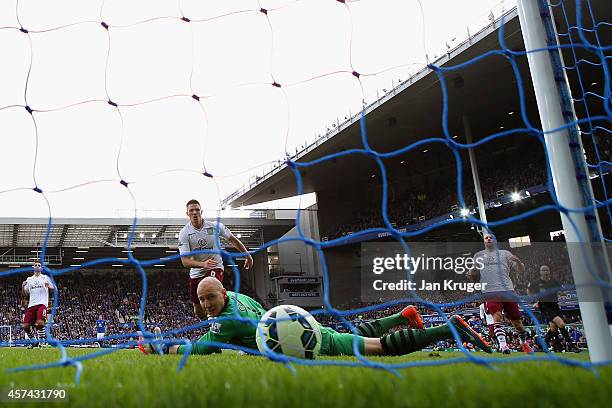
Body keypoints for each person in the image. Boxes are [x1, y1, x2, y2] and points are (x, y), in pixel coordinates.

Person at [139, 277, 492, 357]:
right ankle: (403, 315)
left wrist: (162, 348)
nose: (207, 304)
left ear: (221, 293)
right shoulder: (240, 297)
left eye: (210, 297)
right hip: (295, 324)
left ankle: (448, 330)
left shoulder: (226, 319)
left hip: (297, 340)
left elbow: (201, 350)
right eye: (202, 301)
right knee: (347, 334)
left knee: (375, 349)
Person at [178, 199, 253, 319]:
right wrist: (203, 264)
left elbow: (232, 239)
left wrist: (247, 255)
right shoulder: (184, 233)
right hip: (196, 273)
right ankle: (207, 324)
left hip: (215, 266)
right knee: (198, 310)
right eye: (191, 210)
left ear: (201, 211)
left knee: (211, 289)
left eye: (197, 210)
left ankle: (223, 320)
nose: (194, 212)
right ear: (187, 213)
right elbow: (185, 261)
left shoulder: (215, 226)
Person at [468, 233, 532, 354]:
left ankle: (523, 342)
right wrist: (471, 274)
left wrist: (518, 261)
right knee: (497, 316)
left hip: (507, 290)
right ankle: (503, 346)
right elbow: (474, 275)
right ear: (484, 242)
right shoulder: (478, 256)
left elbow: (521, 270)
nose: (488, 239)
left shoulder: (505, 254)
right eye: (486, 238)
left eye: (491, 237)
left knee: (517, 323)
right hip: (490, 291)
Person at [528, 265, 576, 352]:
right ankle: (571, 345)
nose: (546, 272)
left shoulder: (554, 281)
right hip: (545, 307)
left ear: (549, 272)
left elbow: (561, 291)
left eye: (547, 270)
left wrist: (562, 293)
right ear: (540, 272)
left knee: (554, 329)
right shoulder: (537, 283)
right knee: (561, 324)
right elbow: (529, 291)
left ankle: (540, 347)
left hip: (555, 306)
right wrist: (533, 301)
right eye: (544, 270)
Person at [22, 262, 54, 348]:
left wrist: (49, 287)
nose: (37, 266)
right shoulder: (29, 279)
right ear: (33, 267)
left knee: (40, 323)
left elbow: (53, 289)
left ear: (41, 268)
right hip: (31, 305)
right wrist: (23, 286)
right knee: (26, 326)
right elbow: (25, 294)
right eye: (35, 265)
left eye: (39, 265)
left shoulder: (45, 277)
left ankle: (42, 343)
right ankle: (34, 342)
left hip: (42, 304)